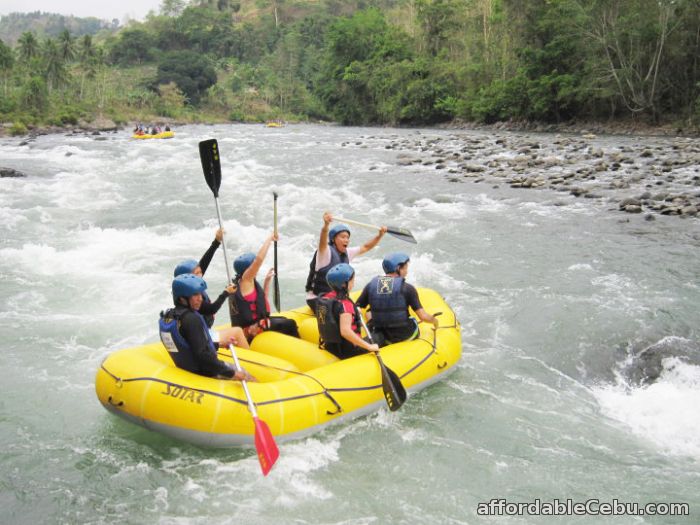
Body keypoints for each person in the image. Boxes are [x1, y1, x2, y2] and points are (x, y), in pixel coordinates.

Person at [159, 273, 255, 381]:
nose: (200, 299)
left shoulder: (169, 316)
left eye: (200, 294)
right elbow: (203, 357)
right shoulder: (191, 319)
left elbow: (189, 347)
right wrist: (233, 374)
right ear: (182, 299)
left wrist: (219, 344)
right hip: (205, 372)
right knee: (248, 376)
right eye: (195, 295)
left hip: (188, 370)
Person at [173, 228, 248, 349]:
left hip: (203, 332)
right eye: (196, 274)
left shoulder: (187, 291)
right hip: (203, 336)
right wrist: (226, 293)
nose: (201, 275)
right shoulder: (193, 300)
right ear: (188, 278)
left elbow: (203, 263)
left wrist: (216, 242)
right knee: (238, 332)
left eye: (200, 272)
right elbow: (211, 309)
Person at [305, 212, 387, 314]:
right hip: (317, 299)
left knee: (357, 311)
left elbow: (366, 247)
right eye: (342, 237)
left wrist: (379, 236)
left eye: (347, 237)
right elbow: (322, 241)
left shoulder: (347, 253)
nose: (346, 240)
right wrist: (326, 225)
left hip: (334, 297)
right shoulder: (325, 253)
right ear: (333, 239)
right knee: (349, 313)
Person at [356, 252, 439, 347]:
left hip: (384, 337)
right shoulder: (408, 288)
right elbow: (423, 317)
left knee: (369, 312)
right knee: (413, 319)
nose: (407, 271)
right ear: (398, 268)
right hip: (405, 336)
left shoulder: (371, 286)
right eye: (405, 268)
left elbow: (356, 308)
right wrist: (435, 322)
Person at [230, 233, 299, 341]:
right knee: (290, 324)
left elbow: (261, 301)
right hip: (250, 330)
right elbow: (258, 260)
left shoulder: (246, 283)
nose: (256, 268)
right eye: (252, 266)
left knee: (284, 320)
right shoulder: (246, 280)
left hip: (256, 323)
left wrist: (267, 282)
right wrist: (269, 239)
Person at [316, 263, 379, 359]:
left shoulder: (326, 298)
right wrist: (369, 347)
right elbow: (345, 331)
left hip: (331, 346)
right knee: (379, 336)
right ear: (344, 284)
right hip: (348, 350)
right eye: (352, 280)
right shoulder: (345, 304)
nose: (353, 282)